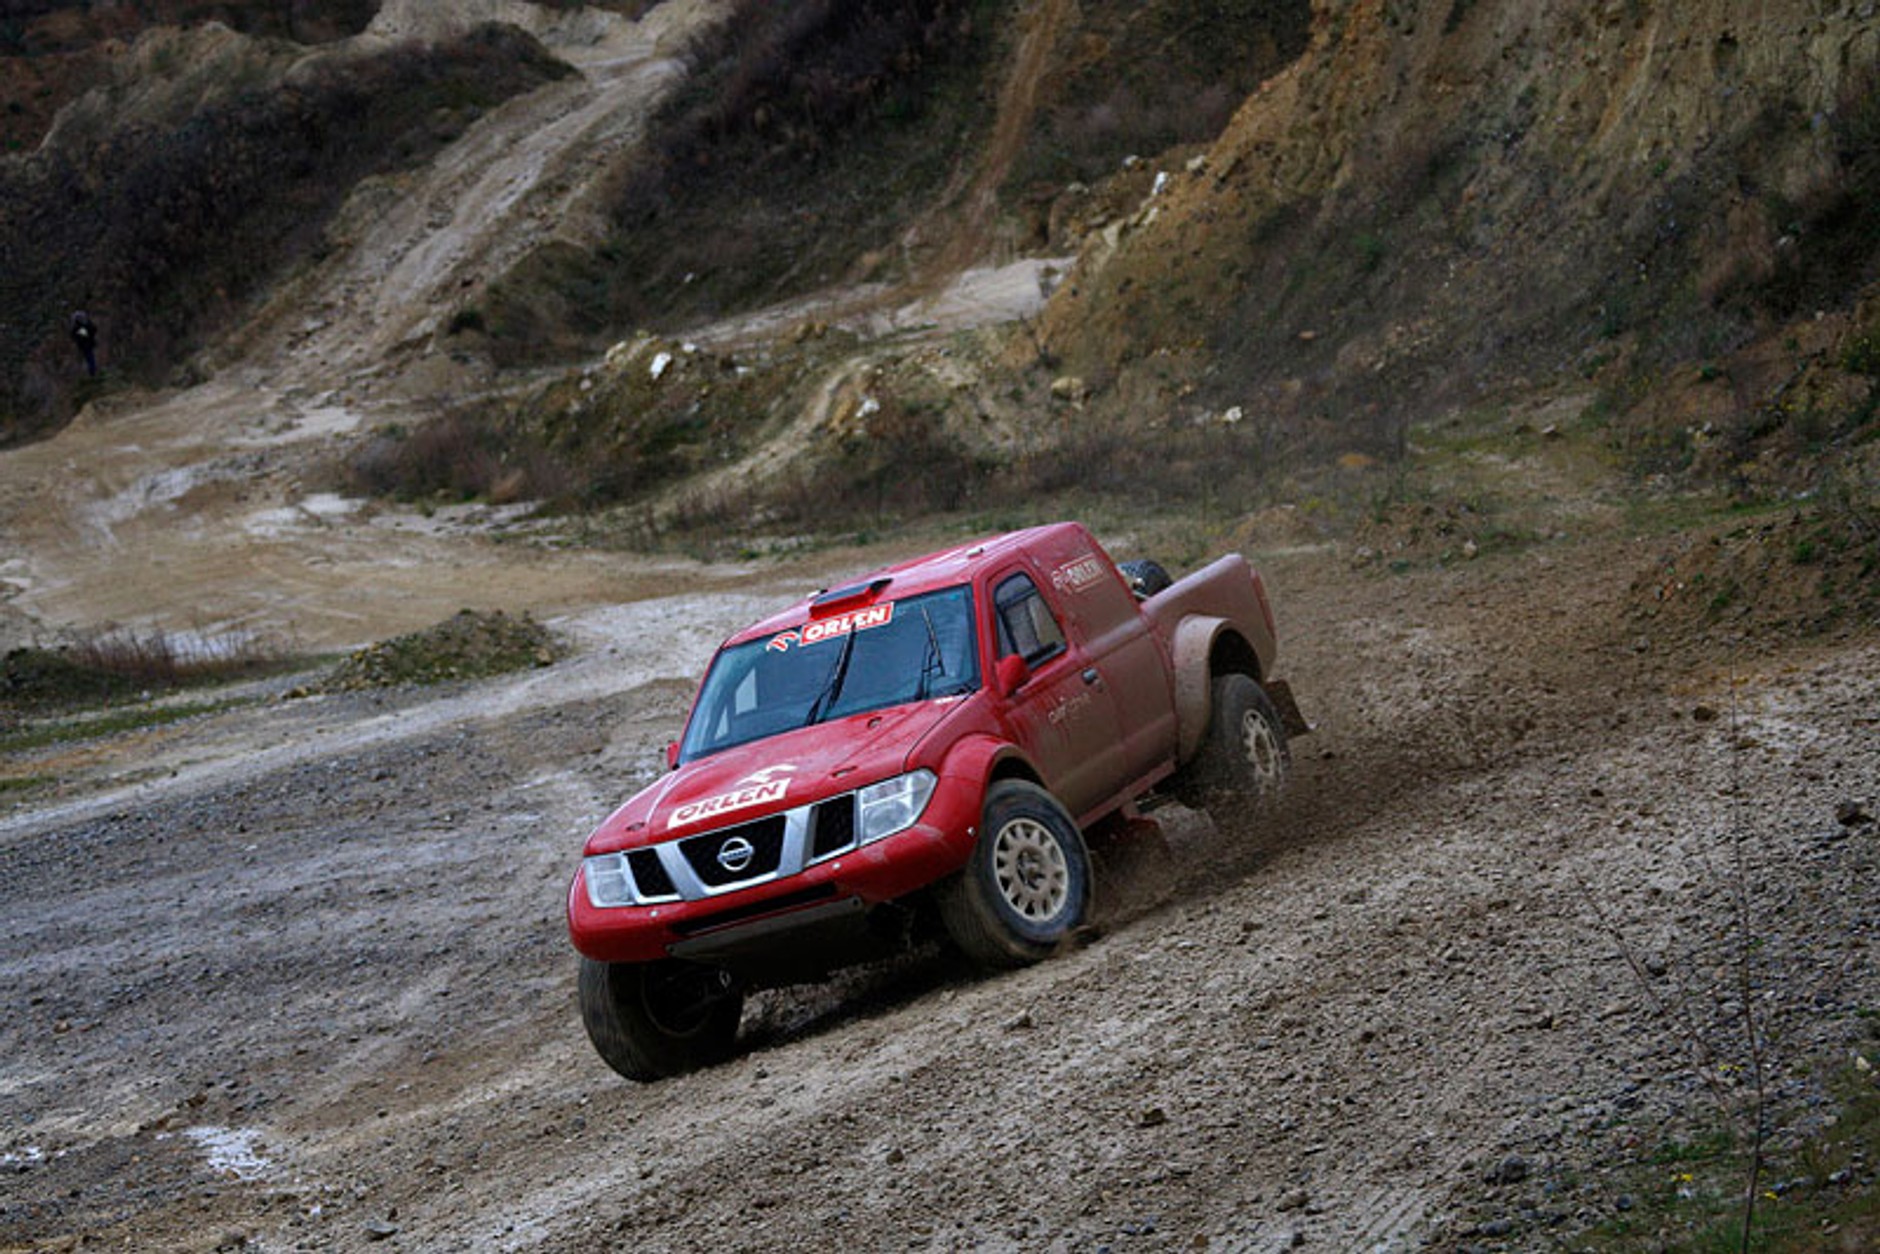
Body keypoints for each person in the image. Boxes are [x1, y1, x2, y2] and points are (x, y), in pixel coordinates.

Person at [69, 310, 98, 376]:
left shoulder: (83, 326)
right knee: (88, 359)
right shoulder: (81, 326)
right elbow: (74, 335)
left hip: (86, 345)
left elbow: (92, 331)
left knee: (89, 358)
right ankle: (87, 373)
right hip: (84, 345)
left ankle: (91, 373)